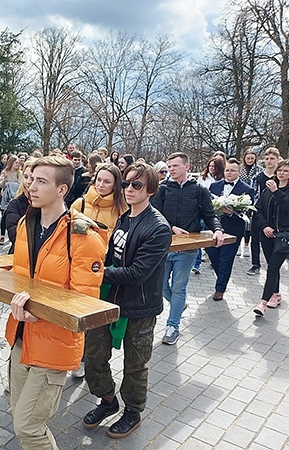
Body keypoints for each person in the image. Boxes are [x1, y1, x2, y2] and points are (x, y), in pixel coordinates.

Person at [2, 156, 106, 449]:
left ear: (62, 190)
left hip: (54, 344)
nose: (31, 186)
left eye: (42, 182)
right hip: (21, 337)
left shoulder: (83, 235)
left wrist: (40, 313)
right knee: (18, 415)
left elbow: (84, 304)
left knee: (27, 426)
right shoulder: (26, 222)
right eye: (31, 179)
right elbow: (21, 275)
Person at [82, 162, 171, 438]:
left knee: (135, 364)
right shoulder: (124, 218)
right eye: (126, 183)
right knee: (94, 355)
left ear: (151, 189)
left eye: (137, 185)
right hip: (109, 301)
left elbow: (138, 273)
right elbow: (110, 256)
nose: (129, 189)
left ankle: (132, 411)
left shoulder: (158, 228)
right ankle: (108, 401)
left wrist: (97, 273)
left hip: (140, 307)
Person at [152, 152, 224, 345]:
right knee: (159, 286)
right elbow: (154, 214)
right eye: (169, 166)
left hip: (188, 249)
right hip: (164, 247)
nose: (171, 169)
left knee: (179, 287)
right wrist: (171, 228)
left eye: (175, 165)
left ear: (187, 167)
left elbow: (210, 214)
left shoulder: (200, 190)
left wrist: (217, 230)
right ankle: (179, 305)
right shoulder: (162, 189)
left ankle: (172, 326)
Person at [253, 160, 289, 317]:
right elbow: (258, 209)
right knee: (272, 265)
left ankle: (262, 303)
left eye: (285, 171)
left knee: (273, 268)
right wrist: (264, 226)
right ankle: (276, 294)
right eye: (279, 170)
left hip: (284, 236)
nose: (281, 173)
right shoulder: (267, 189)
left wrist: (276, 191)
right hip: (268, 234)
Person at [205, 159, 254, 301]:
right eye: (227, 170)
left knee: (226, 259)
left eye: (233, 170)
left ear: (239, 172)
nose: (229, 172)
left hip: (233, 230)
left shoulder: (247, 189)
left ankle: (220, 288)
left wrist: (232, 212)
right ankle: (222, 277)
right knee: (213, 255)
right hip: (214, 229)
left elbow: (248, 212)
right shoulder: (214, 186)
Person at [71, 163, 128, 237]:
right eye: (99, 179)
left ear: (115, 184)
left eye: (107, 182)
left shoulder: (122, 209)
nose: (101, 185)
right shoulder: (80, 203)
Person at [248, 148, 280, 275]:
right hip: (259, 212)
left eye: (272, 158)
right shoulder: (258, 177)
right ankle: (255, 264)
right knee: (255, 238)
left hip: (275, 213)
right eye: (267, 158)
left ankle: (272, 264)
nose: (269, 161)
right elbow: (253, 194)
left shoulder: (281, 176)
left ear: (278, 159)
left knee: (274, 239)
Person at [5, 159, 34, 254]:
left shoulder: (50, 205)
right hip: (20, 254)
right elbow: (14, 235)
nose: (29, 182)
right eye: (25, 177)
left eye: (33, 178)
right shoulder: (15, 204)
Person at [0, 155, 22, 245]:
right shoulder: (5, 172)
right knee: (3, 216)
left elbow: (20, 184)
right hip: (6, 197)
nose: (17, 164)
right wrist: (4, 180)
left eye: (18, 163)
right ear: (11, 163)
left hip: (16, 196)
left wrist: (10, 184)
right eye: (16, 162)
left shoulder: (19, 173)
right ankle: (2, 235)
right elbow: (1, 185)